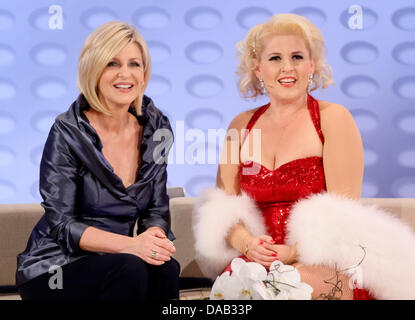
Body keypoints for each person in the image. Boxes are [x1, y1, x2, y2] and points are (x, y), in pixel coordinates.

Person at [193, 14, 415, 300]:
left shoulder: (334, 119)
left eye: (297, 56)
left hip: (323, 259)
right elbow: (222, 212)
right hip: (257, 261)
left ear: (312, 65)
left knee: (283, 290)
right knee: (237, 292)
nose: (287, 67)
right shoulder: (240, 125)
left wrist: (293, 252)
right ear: (258, 68)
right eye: (275, 58)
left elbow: (343, 217)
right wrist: (248, 244)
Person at [16, 21, 180, 300]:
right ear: (93, 69)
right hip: (55, 266)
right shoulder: (67, 132)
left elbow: (156, 208)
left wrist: (152, 238)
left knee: (165, 268)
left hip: (123, 260)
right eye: (112, 64)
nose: (125, 74)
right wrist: (132, 245)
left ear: (144, 71)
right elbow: (62, 225)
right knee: (130, 268)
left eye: (134, 64)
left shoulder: (157, 127)